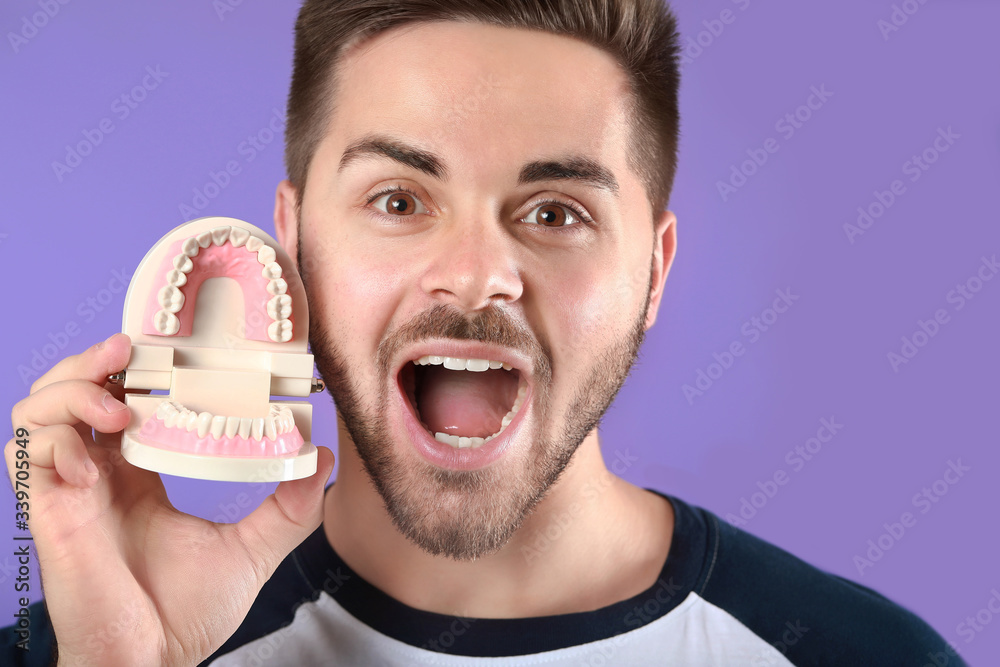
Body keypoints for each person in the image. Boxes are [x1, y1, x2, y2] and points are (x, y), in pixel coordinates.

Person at [2, 0, 966, 665]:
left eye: (554, 212)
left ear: (654, 273)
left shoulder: (860, 654)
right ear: (293, 247)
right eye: (397, 198)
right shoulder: (92, 645)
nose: (474, 273)